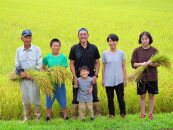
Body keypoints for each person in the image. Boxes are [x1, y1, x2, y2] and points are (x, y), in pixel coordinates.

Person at [69, 28, 100, 118]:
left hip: (91, 77)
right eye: (81, 34)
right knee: (76, 96)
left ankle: (97, 114)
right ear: (78, 36)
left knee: (94, 94)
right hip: (78, 77)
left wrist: (96, 75)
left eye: (84, 34)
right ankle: (75, 115)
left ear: (88, 35)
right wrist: (74, 76)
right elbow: (71, 63)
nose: (83, 36)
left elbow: (97, 62)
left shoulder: (93, 47)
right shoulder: (74, 48)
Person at [131, 31, 159, 119]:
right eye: (142, 39)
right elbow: (133, 64)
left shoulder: (154, 50)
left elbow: (158, 63)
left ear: (149, 39)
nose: (144, 41)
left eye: (146, 39)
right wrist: (142, 64)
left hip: (152, 77)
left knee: (151, 96)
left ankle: (151, 113)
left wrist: (150, 63)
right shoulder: (137, 50)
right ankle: (142, 113)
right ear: (140, 40)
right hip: (141, 78)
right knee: (142, 96)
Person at [15, 30, 42, 122]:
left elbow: (39, 64)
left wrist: (33, 74)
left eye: (29, 37)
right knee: (25, 96)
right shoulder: (18, 50)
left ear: (31, 38)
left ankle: (37, 117)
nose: (27, 39)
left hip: (34, 78)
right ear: (22, 38)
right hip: (23, 78)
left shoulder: (37, 49)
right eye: (25, 37)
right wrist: (21, 72)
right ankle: (27, 117)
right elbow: (17, 64)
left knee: (35, 96)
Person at [42, 38, 69, 122]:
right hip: (50, 83)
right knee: (49, 100)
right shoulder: (47, 57)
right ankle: (48, 117)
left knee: (62, 100)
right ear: (51, 46)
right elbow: (42, 68)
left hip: (60, 83)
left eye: (58, 46)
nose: (56, 47)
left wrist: (57, 73)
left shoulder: (63, 57)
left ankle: (65, 116)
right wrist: (46, 73)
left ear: (60, 47)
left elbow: (64, 69)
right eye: (54, 45)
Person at [102, 34, 126, 118]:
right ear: (108, 42)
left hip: (119, 79)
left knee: (120, 97)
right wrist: (103, 79)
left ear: (117, 41)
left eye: (114, 41)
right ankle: (111, 114)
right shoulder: (105, 53)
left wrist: (125, 78)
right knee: (110, 98)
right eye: (110, 41)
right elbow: (103, 67)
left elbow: (124, 66)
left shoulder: (121, 53)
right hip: (108, 80)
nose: (112, 43)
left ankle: (123, 113)